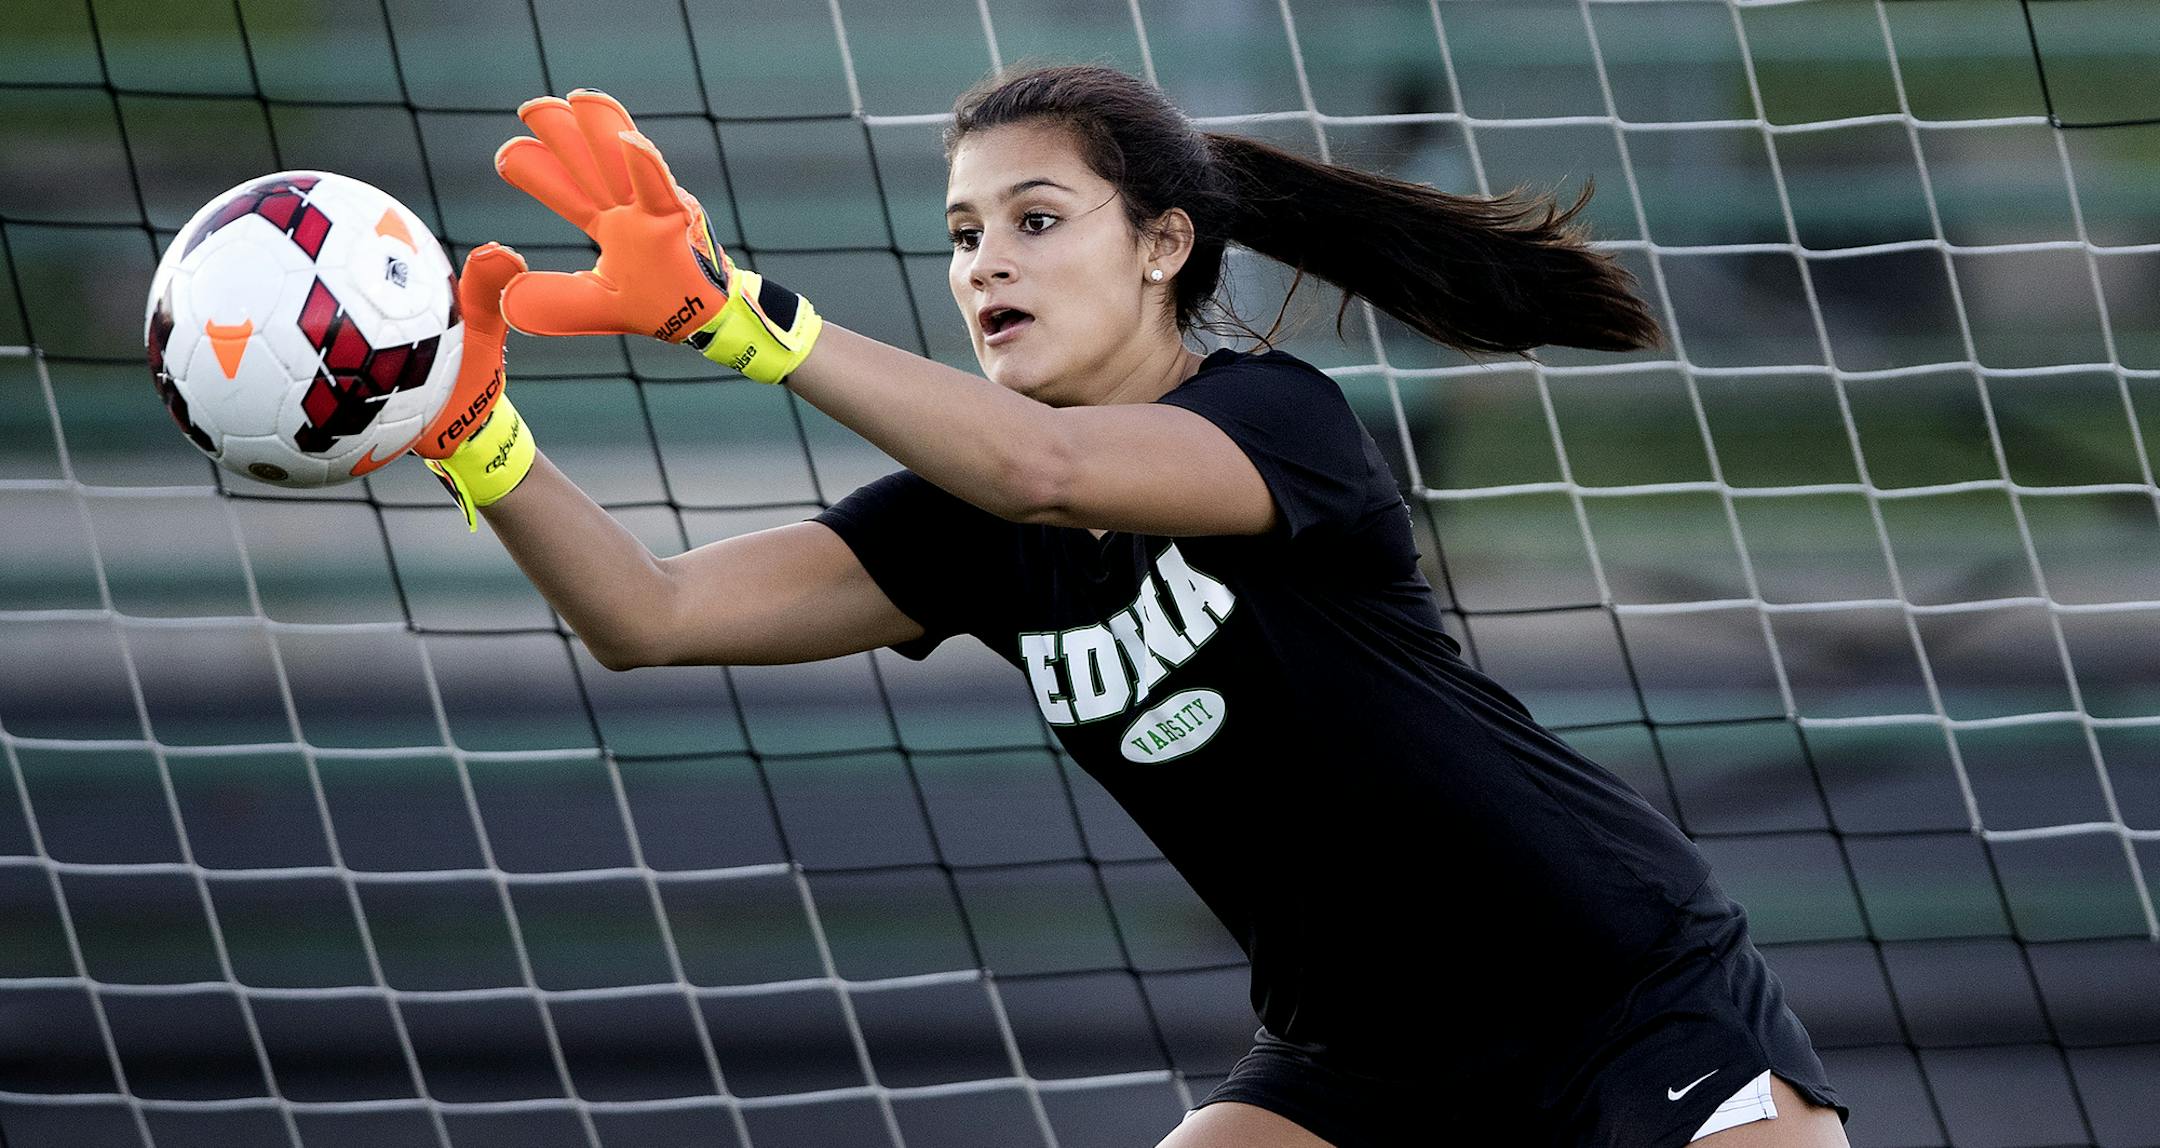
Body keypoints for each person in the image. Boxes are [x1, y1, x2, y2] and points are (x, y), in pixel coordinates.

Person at [413, 65, 1853, 1148]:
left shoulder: (1274, 419)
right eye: (965, 230)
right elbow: (648, 615)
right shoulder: (964, 520)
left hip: (1610, 993)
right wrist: (475, 432)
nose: (987, 260)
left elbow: (1047, 468)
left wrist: (734, 312)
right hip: (1358, 1062)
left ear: (1163, 246)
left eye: (1038, 219)